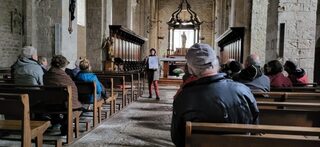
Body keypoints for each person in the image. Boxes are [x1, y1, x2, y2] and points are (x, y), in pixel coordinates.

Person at [171, 43, 259, 147]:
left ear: (190, 69)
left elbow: (177, 138)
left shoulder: (184, 97)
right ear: (216, 63)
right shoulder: (243, 90)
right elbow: (255, 127)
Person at [43, 55, 82, 135]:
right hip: (64, 105)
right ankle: (65, 125)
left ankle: (56, 122)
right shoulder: (65, 77)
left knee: (55, 100)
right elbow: (73, 91)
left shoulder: (46, 75)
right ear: (63, 66)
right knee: (76, 109)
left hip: (49, 103)